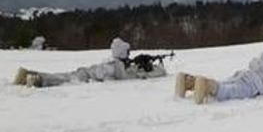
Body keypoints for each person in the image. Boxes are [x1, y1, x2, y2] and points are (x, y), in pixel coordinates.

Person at [175, 36, 263, 104]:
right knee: (228, 92)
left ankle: (189, 81)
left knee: (224, 83)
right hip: (253, 85)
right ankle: (206, 84)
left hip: (245, 75)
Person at [12, 37, 166, 87]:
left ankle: (31, 76)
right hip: (86, 76)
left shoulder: (115, 62)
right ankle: (38, 79)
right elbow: (125, 77)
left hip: (87, 73)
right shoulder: (116, 65)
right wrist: (145, 70)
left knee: (63, 76)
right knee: (62, 79)